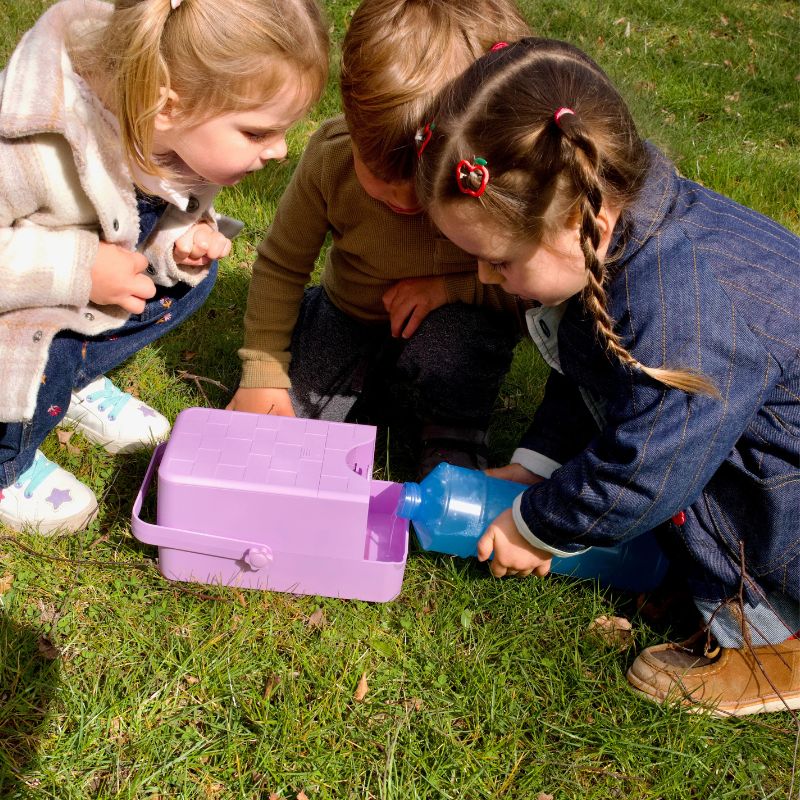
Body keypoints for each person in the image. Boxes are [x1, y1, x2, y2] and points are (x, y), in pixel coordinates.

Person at [415, 37, 800, 716]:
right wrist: (538, 466)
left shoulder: (686, 313)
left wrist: (539, 526)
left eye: (498, 259)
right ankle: (704, 573)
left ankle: (775, 639)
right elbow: (591, 372)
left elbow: (645, 464)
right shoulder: (623, 237)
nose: (483, 276)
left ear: (580, 221)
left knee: (670, 458)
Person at [0, 0, 328, 534]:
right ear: (169, 106)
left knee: (186, 282)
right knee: (37, 332)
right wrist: (81, 270)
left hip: (74, 288)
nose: (281, 151)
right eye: (257, 132)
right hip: (21, 295)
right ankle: (7, 463)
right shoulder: (28, 145)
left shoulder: (162, 123)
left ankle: (71, 380)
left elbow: (136, 215)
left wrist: (174, 244)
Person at [228, 0, 531, 477]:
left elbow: (527, 295)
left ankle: (451, 436)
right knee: (287, 416)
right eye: (380, 176)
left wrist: (448, 291)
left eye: (428, 183)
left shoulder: (497, 182)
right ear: (352, 124)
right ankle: (348, 404)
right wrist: (263, 373)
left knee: (459, 346)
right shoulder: (332, 160)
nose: (406, 200)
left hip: (450, 328)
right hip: (347, 315)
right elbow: (282, 266)